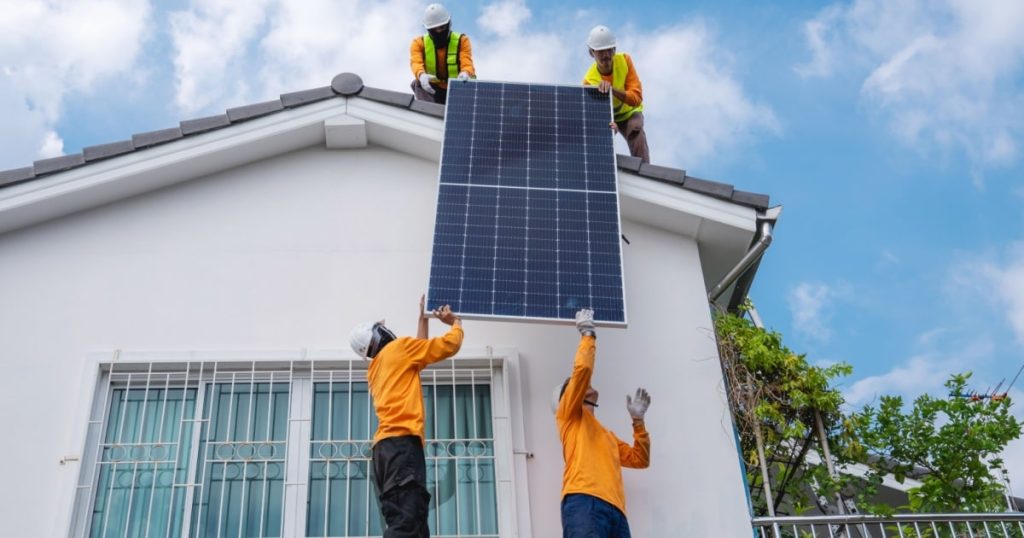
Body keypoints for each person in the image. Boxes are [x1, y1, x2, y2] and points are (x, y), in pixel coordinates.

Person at [349, 296, 464, 537]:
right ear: (380, 334)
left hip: (387, 450)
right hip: (401, 446)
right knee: (407, 522)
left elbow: (418, 355)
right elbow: (448, 345)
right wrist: (456, 323)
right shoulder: (399, 349)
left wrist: (422, 320)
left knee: (415, 523)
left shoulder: (377, 367)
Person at [555, 308, 651, 537]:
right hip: (583, 501)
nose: (587, 383)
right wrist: (587, 334)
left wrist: (638, 423)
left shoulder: (607, 436)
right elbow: (583, 370)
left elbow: (641, 460)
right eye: (579, 385)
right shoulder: (568, 415)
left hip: (616, 511)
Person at [582, 25, 651, 164]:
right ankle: (602, 171)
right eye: (601, 51)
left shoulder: (625, 61)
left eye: (609, 50)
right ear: (592, 53)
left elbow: (636, 98)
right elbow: (593, 116)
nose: (606, 55)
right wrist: (607, 126)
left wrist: (612, 90)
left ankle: (644, 171)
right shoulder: (589, 81)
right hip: (609, 117)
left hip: (630, 112)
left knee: (635, 129)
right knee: (603, 134)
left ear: (614, 49)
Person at [409, 3, 476, 105]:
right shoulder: (418, 43)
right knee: (418, 83)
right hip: (433, 90)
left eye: (442, 27)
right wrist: (421, 75)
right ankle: (429, 114)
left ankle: (463, 113)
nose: (439, 31)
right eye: (434, 29)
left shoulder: (462, 41)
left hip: (457, 90)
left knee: (469, 82)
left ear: (449, 24)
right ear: (429, 30)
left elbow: (467, 63)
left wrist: (465, 73)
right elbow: (416, 62)